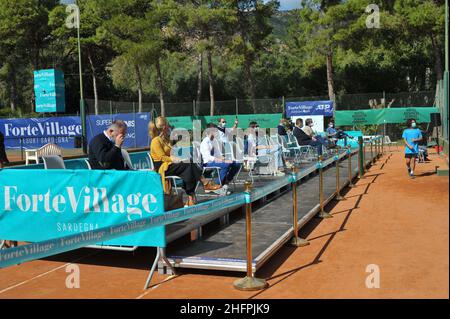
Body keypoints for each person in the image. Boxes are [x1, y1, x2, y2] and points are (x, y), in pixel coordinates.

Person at [150, 117, 221, 206]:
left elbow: (171, 152)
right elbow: (162, 157)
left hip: (170, 164)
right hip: (163, 167)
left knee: (189, 166)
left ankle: (191, 198)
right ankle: (203, 183)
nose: (170, 127)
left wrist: (177, 158)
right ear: (164, 127)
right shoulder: (155, 141)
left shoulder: (166, 139)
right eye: (168, 125)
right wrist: (174, 159)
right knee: (188, 165)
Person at [200, 124, 242, 189]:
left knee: (237, 164)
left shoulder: (215, 141)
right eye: (215, 131)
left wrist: (224, 158)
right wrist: (222, 160)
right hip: (208, 163)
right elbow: (208, 157)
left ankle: (226, 180)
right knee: (226, 164)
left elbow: (219, 154)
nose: (217, 132)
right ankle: (217, 184)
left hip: (216, 161)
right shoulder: (205, 142)